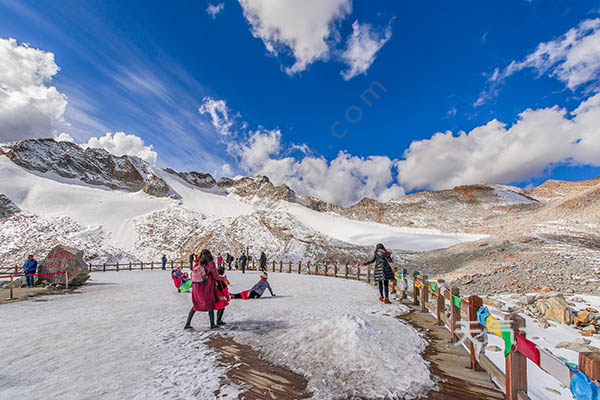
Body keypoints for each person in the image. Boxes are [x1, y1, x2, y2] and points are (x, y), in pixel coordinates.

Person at [184, 249, 224, 330]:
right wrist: (222, 278)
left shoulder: (198, 263)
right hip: (207, 286)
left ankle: (187, 323)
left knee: (196, 304)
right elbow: (215, 276)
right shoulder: (211, 264)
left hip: (197, 287)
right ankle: (212, 324)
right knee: (210, 304)